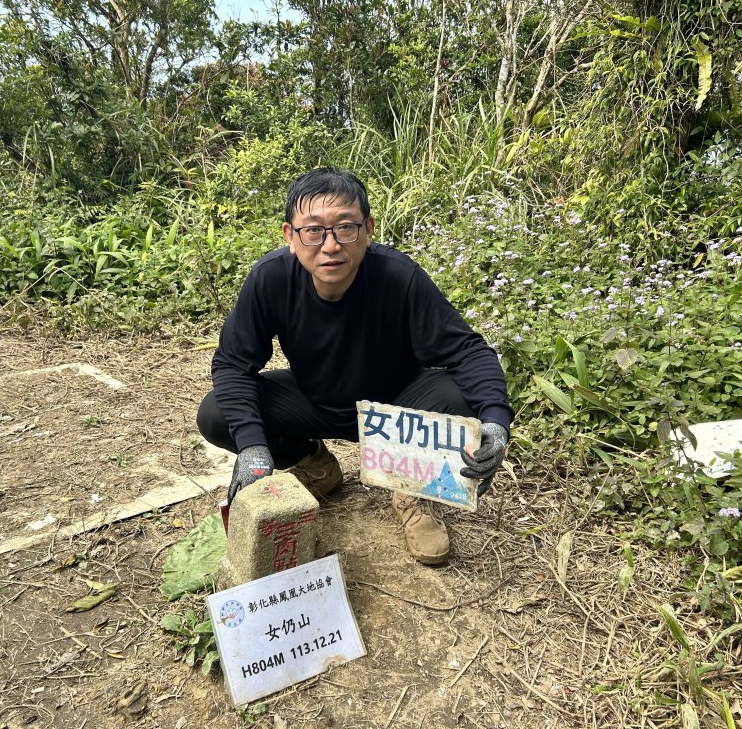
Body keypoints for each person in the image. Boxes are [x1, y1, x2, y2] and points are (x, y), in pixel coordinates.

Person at [197, 167, 513, 565]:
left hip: (397, 406)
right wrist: (254, 449)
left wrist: (496, 422)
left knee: (461, 395)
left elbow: (468, 351)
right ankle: (314, 464)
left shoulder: (399, 277)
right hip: (316, 401)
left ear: (368, 230)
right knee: (218, 412)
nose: (330, 246)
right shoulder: (270, 280)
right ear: (290, 236)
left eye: (345, 228)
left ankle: (412, 489)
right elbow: (232, 365)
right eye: (313, 231)